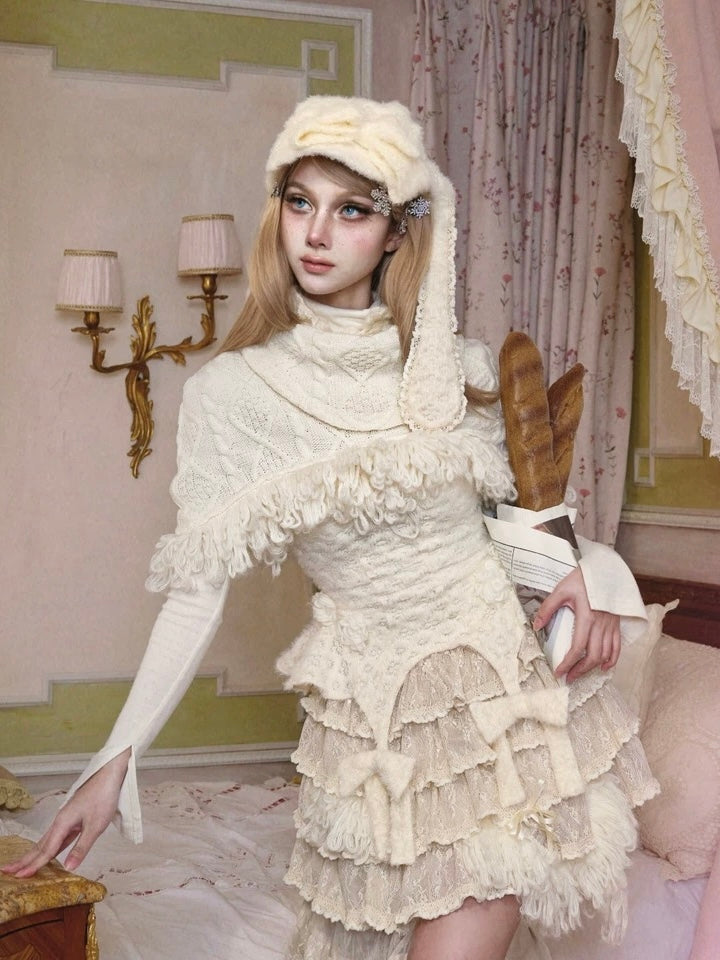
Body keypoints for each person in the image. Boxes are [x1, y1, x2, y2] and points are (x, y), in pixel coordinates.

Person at [3, 97, 657, 960]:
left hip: (498, 695)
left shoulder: (460, 369)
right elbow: (194, 597)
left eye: (352, 210)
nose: (316, 232)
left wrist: (593, 580)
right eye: (300, 202)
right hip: (369, 722)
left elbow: (522, 522)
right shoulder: (231, 397)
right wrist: (113, 761)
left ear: (394, 234)